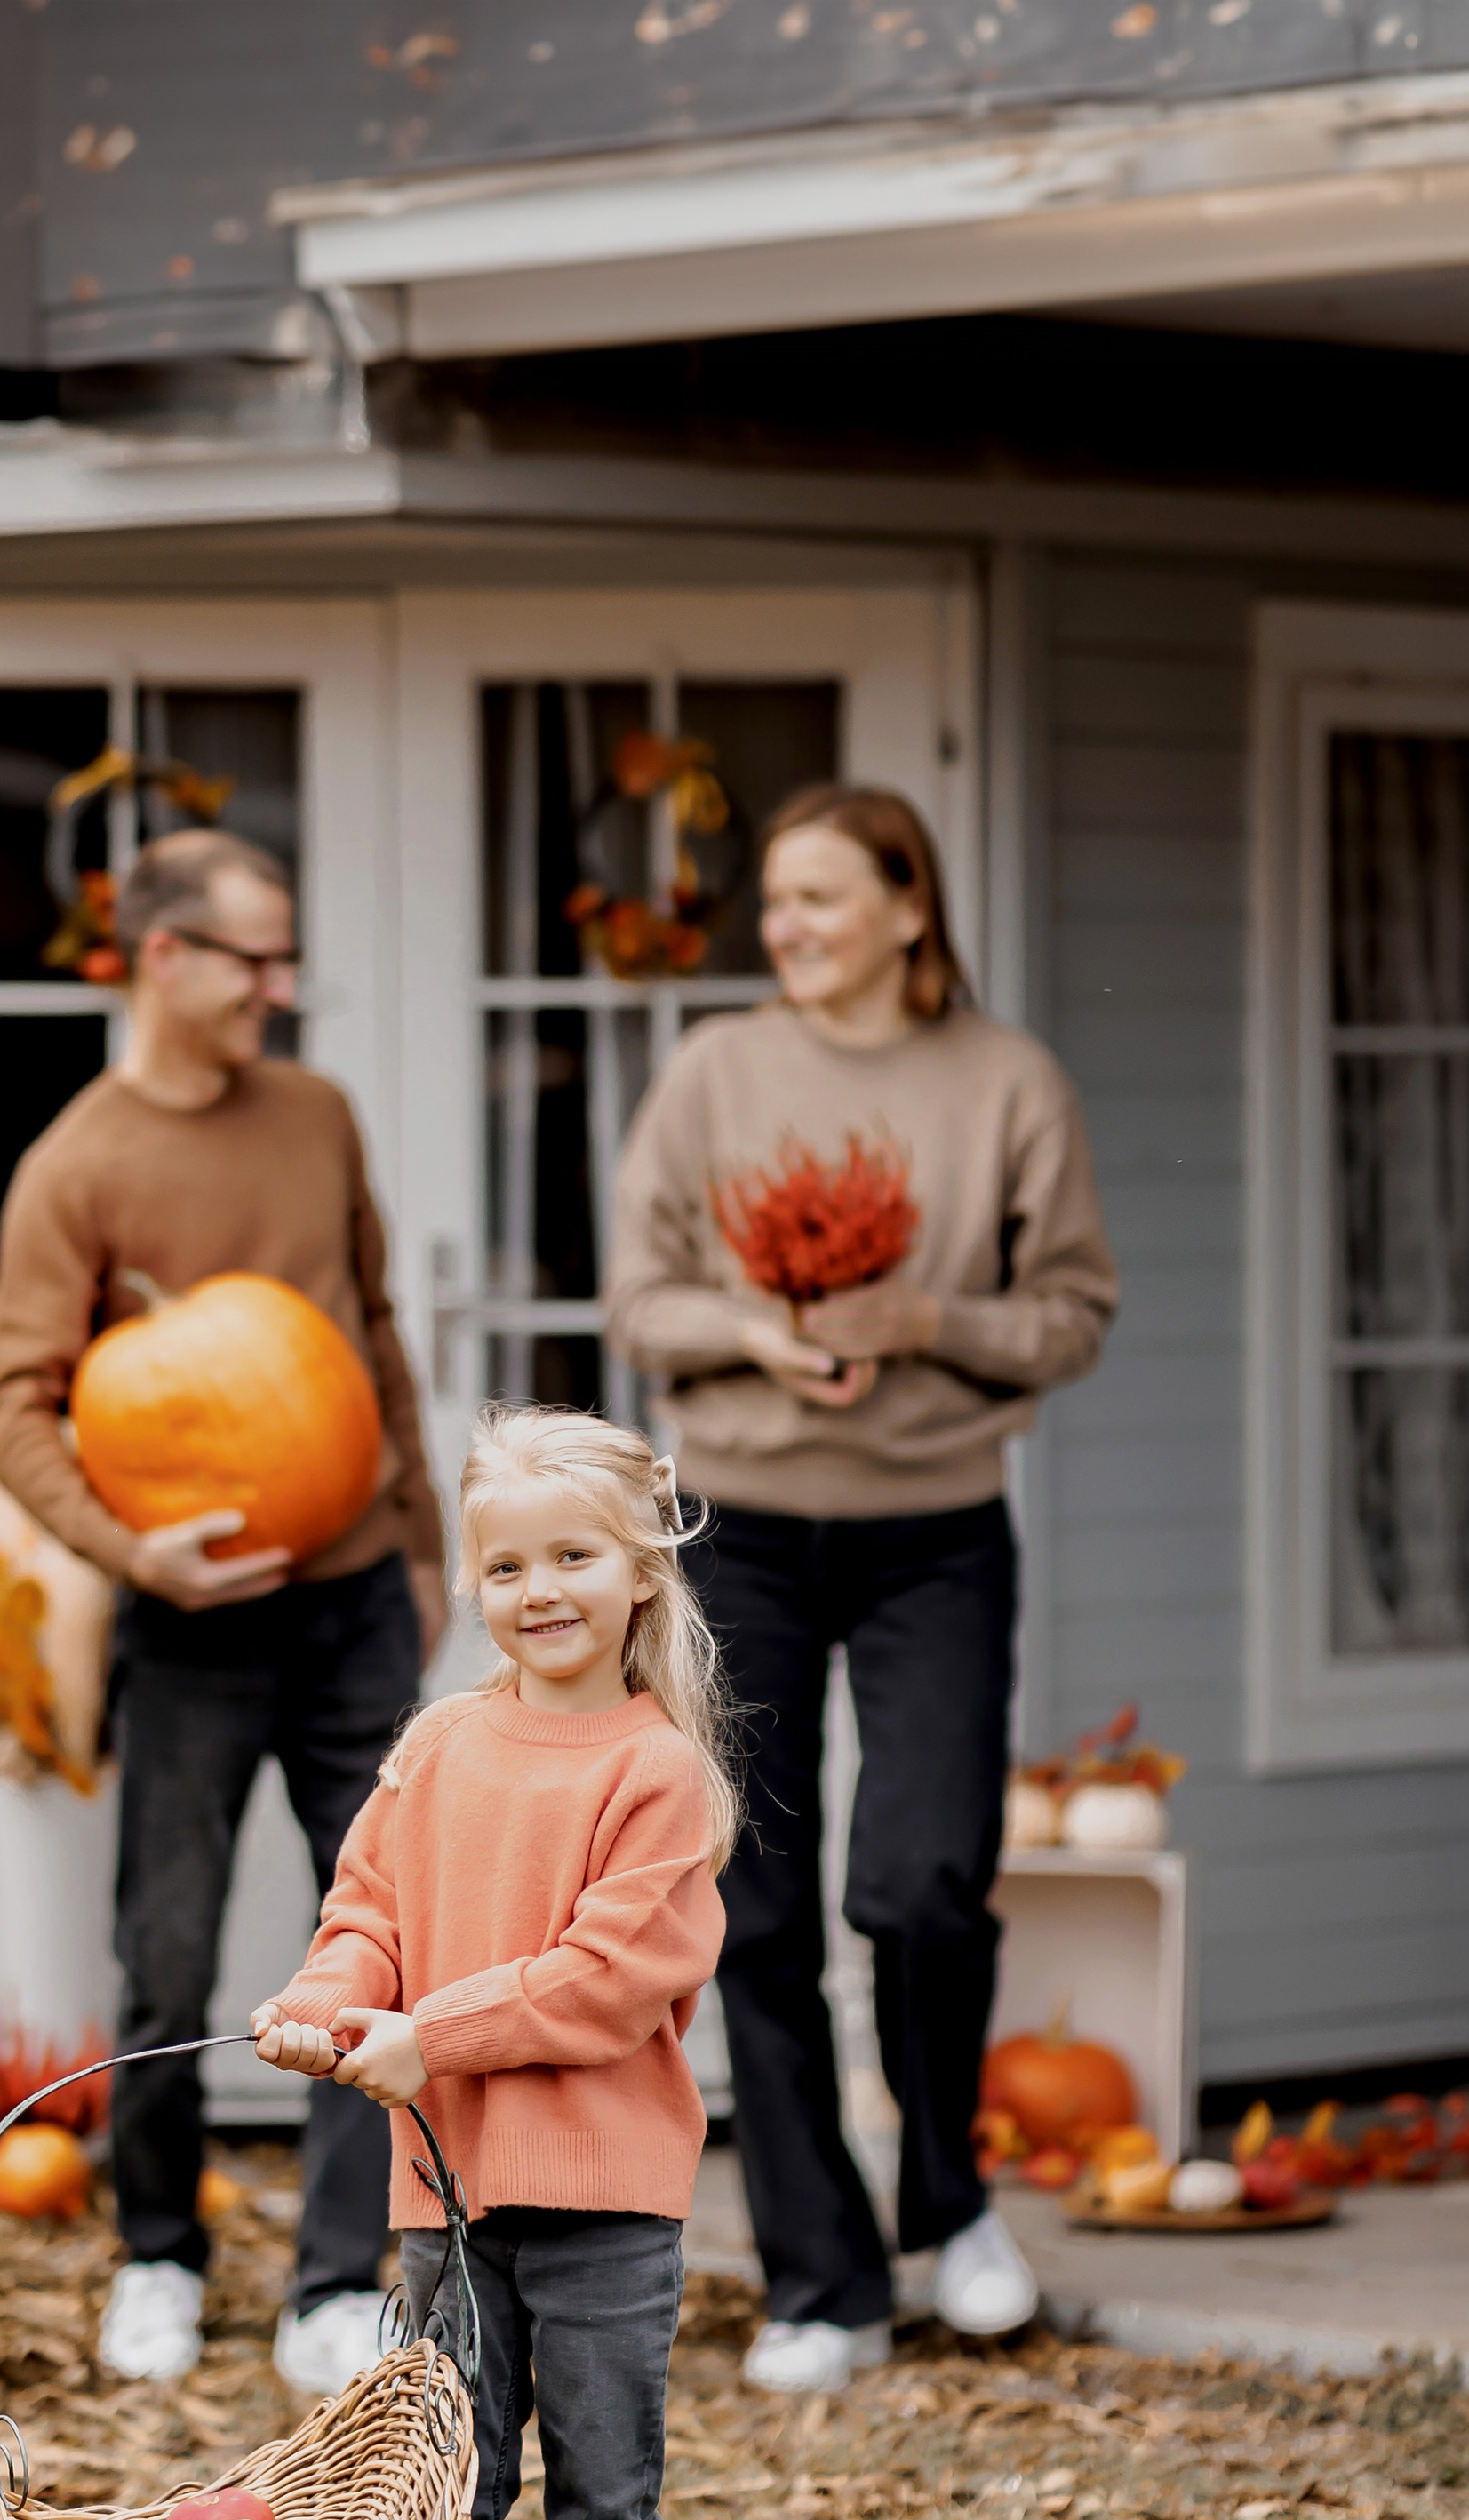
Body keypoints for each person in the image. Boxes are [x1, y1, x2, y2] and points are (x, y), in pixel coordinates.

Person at [605, 783, 1120, 2396]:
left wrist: (927, 1323)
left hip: (935, 1529)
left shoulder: (1005, 1082)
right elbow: (640, 1292)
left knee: (922, 1878)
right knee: (752, 1896)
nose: (792, 927)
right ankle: (821, 2278)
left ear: (912, 906)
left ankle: (950, 2206)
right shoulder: (716, 1071)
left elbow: (1074, 1308)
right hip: (741, 1522)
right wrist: (755, 1334)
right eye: (778, 900)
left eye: (826, 897)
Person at [0, 827, 448, 2395]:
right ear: (161, 957)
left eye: (283, 956)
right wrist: (132, 1551)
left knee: (368, 1949)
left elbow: (372, 1328)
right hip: (189, 1622)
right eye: (251, 957)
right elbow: (12, 1404)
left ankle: (334, 2277)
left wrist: (426, 1535)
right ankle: (160, 2255)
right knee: (166, 1953)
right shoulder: (78, 1164)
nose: (278, 986)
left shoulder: (316, 1116)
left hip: (355, 1603)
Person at [252, 1406, 731, 2520]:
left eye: (575, 1554)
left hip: (608, 2208)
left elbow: (600, 1982)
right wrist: (329, 2005)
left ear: (643, 1567)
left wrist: (427, 2038)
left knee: (603, 2498)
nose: (542, 1589)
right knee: (447, 2494)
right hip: (446, 2200)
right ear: (472, 1579)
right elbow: (369, 1914)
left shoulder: (658, 1775)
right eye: (507, 1561)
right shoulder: (440, 1744)